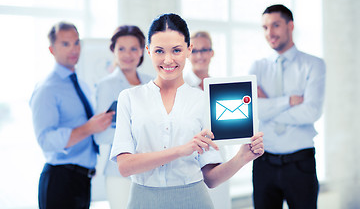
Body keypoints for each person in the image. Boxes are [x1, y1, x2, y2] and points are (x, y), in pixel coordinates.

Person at [109, 13, 264, 209]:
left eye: (176, 50)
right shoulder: (129, 98)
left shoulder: (203, 101)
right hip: (142, 200)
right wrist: (181, 150)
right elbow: (124, 167)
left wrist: (241, 158)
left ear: (188, 50)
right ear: (148, 51)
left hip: (193, 200)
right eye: (159, 51)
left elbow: (211, 179)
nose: (168, 59)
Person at [30, 22, 114, 209]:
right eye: (65, 44)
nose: (74, 49)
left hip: (83, 179)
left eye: (76, 43)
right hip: (60, 180)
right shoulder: (47, 89)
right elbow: (45, 140)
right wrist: (88, 128)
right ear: (52, 49)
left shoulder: (82, 85)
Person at [249, 4, 326, 209]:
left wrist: (268, 107)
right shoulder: (257, 67)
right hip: (264, 164)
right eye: (265, 27)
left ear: (290, 26)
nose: (270, 33)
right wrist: (287, 102)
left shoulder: (314, 65)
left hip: (300, 164)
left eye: (275, 25)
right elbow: (252, 111)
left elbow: (311, 112)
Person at [94, 25, 153, 208]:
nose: (127, 54)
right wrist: (139, 135)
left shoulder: (151, 83)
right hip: (120, 175)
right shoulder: (106, 86)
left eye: (133, 48)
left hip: (151, 171)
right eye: (121, 49)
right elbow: (100, 135)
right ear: (113, 51)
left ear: (142, 51)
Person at [184, 31, 231, 209]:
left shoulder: (222, 86)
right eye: (195, 51)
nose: (200, 55)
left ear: (212, 53)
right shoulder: (182, 85)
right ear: (188, 53)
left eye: (205, 50)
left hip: (218, 152)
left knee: (218, 201)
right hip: (192, 156)